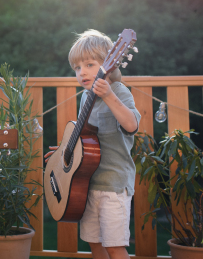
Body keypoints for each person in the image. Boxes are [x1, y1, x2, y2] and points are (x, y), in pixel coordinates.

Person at [45, 29, 140, 259]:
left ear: (111, 62)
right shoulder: (86, 97)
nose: (82, 72)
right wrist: (64, 152)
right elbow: (84, 137)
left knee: (114, 247)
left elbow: (132, 125)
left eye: (89, 64)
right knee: (95, 244)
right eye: (77, 67)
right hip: (86, 184)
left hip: (114, 184)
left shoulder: (119, 92)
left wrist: (108, 96)